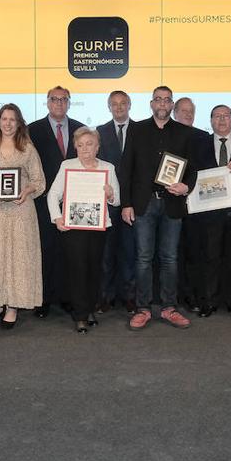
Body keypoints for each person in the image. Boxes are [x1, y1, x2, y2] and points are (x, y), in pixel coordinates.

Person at [118, 86, 193, 331]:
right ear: (151, 104)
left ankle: (169, 308)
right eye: (158, 99)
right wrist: (126, 203)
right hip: (143, 203)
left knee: (170, 258)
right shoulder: (137, 130)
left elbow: (192, 168)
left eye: (167, 100)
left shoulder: (184, 132)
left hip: (173, 203)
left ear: (172, 105)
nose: (162, 103)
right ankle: (143, 309)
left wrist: (186, 186)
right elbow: (126, 168)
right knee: (143, 258)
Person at [0, 104, 46, 328]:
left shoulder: (28, 149)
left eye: (12, 119)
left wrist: (26, 191)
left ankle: (13, 306)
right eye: (4, 119)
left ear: (19, 123)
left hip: (21, 211)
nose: (7, 123)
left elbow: (39, 181)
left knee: (18, 258)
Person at [47, 127, 121, 333]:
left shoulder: (108, 168)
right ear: (75, 148)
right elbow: (53, 195)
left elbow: (117, 200)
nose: (85, 149)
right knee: (77, 270)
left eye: (89, 144)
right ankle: (80, 314)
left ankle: (89, 309)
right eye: (80, 145)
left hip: (98, 227)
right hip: (74, 227)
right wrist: (57, 217)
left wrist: (110, 194)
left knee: (94, 269)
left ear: (97, 147)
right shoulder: (67, 166)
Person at [186, 105, 231, 318]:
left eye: (226, 116)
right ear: (211, 121)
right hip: (208, 214)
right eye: (217, 116)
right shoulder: (198, 144)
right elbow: (191, 174)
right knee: (210, 259)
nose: (222, 120)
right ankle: (209, 302)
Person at [27, 85, 84, 318]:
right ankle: (43, 300)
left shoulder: (81, 129)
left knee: (70, 252)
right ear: (47, 102)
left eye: (63, 99)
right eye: (54, 99)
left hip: (75, 201)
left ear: (69, 102)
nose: (59, 103)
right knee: (45, 251)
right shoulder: (32, 130)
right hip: (43, 201)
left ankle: (68, 297)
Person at [95, 90, 135, 312]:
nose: (119, 107)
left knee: (130, 253)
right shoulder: (99, 132)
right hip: (106, 202)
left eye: (122, 103)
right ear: (108, 107)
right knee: (106, 254)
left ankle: (130, 296)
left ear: (129, 105)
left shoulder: (140, 130)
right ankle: (105, 296)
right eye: (114, 104)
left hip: (132, 202)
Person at [171, 96, 202, 312]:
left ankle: (190, 295)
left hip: (197, 206)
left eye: (191, 111)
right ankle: (171, 296)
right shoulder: (166, 134)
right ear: (174, 113)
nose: (188, 114)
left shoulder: (203, 137)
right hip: (170, 202)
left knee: (193, 253)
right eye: (183, 110)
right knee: (171, 254)